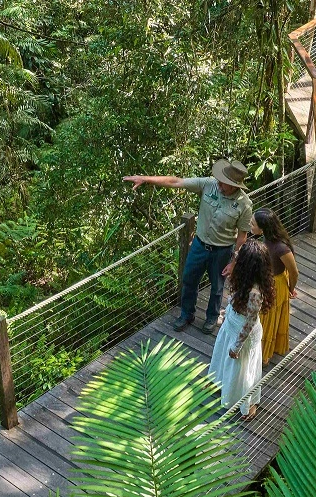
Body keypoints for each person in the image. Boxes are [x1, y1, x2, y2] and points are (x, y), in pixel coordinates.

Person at [123, 160, 252, 334]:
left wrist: (234, 262)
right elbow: (176, 182)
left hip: (222, 250)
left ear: (234, 185)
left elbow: (242, 237)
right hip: (199, 245)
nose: (219, 184)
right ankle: (187, 314)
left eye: (224, 183)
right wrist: (145, 179)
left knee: (217, 287)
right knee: (189, 279)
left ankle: (212, 317)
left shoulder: (244, 204)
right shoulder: (209, 184)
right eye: (220, 180)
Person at [208, 240, 275, 421]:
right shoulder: (244, 281)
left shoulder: (255, 292)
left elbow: (250, 323)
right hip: (231, 325)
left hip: (242, 337)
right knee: (228, 365)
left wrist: (237, 346)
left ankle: (247, 403)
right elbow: (237, 302)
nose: (235, 259)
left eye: (239, 258)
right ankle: (224, 386)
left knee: (242, 370)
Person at [250, 208, 299, 366]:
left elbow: (294, 272)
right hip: (265, 281)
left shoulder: (281, 248)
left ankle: (264, 355)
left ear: (263, 228)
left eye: (253, 224)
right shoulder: (265, 240)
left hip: (275, 285)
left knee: (268, 320)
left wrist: (291, 289)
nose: (250, 226)